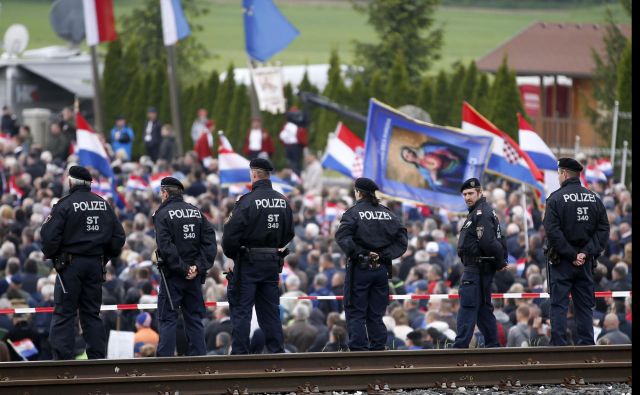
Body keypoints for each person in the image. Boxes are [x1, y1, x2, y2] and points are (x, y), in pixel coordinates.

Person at [40, 165, 125, 360]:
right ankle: (96, 359)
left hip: (70, 266)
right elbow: (119, 237)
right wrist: (105, 256)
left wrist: (55, 256)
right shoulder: (103, 204)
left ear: (70, 182)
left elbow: (48, 236)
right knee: (91, 314)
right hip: (95, 265)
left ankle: (63, 361)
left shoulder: (65, 204)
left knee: (64, 313)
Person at [222, 158, 294, 354]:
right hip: (271, 262)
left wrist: (234, 255)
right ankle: (277, 354)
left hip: (248, 262)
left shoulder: (246, 202)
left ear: (254, 174)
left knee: (242, 311)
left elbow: (229, 236)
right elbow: (289, 233)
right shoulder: (282, 201)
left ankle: (240, 357)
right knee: (270, 312)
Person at [335, 177, 408, 351]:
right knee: (376, 313)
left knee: (356, 312)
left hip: (360, 269)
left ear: (359, 193)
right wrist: (384, 255)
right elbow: (402, 239)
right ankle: (378, 348)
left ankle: (359, 351)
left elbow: (342, 237)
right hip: (381, 269)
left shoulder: (352, 213)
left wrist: (363, 254)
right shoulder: (388, 213)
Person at [543, 158, 609, 346]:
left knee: (559, 304)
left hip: (562, 261)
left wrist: (572, 254)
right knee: (584, 305)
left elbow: (552, 232)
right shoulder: (594, 199)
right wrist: (585, 253)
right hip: (585, 262)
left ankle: (559, 344)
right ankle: (587, 345)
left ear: (564, 174)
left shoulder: (555, 199)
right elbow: (603, 229)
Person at [153, 177, 217, 357]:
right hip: (194, 276)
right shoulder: (196, 212)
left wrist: (183, 268)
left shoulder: (162, 214)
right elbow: (210, 243)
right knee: (195, 320)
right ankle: (200, 362)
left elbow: (166, 248)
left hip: (173, 276)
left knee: (168, 319)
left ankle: (163, 365)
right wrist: (197, 267)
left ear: (165, 193)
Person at [453, 177, 507, 349]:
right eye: (465, 194)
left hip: (475, 269)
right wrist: (500, 261)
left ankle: (459, 349)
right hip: (480, 269)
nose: (467, 197)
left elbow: (488, 242)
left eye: (470, 193)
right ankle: (493, 346)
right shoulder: (479, 211)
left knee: (468, 309)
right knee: (483, 310)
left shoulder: (481, 213)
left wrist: (500, 262)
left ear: (480, 192)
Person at [279, 106, 308, 174]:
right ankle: (294, 175)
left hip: (294, 146)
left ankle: (295, 175)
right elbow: (282, 136)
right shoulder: (292, 126)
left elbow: (282, 136)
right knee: (293, 162)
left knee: (294, 162)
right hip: (293, 146)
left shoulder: (289, 126)